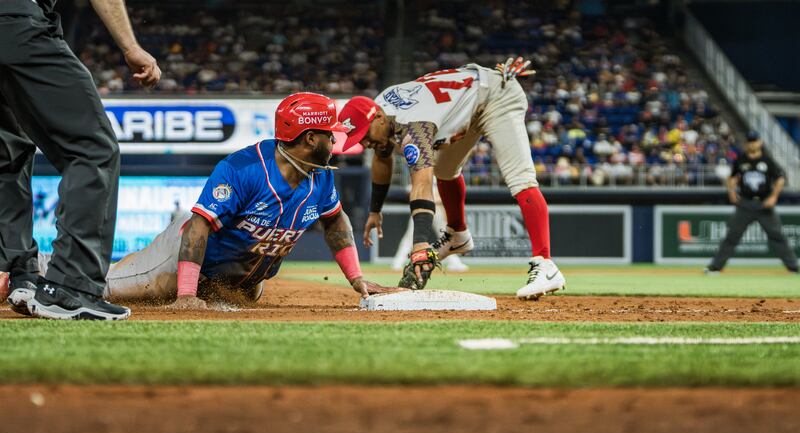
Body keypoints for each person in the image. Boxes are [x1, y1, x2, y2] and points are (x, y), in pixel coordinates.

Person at [10, 93, 395, 309]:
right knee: (105, 286)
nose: (337, 141)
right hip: (181, 259)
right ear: (310, 138)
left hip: (239, 279)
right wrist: (187, 295)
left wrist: (357, 279)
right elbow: (198, 226)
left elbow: (335, 221)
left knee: (243, 297)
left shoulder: (320, 176)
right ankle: (25, 272)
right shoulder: (244, 168)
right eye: (331, 133)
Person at [339, 57, 566, 300]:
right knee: (445, 172)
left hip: (497, 97)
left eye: (364, 134)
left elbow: (422, 184)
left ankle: (546, 265)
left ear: (379, 119)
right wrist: (375, 210)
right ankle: (457, 235)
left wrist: (421, 244)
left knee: (521, 179)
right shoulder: (380, 110)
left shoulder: (413, 125)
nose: (364, 142)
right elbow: (382, 158)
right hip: (468, 102)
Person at [1, 0, 160, 320]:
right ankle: (72, 287)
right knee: (92, 150)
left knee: (8, 156)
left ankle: (21, 275)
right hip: (19, 22)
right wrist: (131, 47)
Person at [706, 131, 798, 273]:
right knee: (732, 236)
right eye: (750, 141)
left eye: (754, 141)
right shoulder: (741, 160)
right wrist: (731, 192)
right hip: (746, 203)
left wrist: (773, 197)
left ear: (760, 142)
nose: (752, 143)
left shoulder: (767, 160)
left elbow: (780, 179)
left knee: (777, 235)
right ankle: (715, 267)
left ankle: (793, 267)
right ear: (746, 143)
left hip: (764, 204)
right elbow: (732, 178)